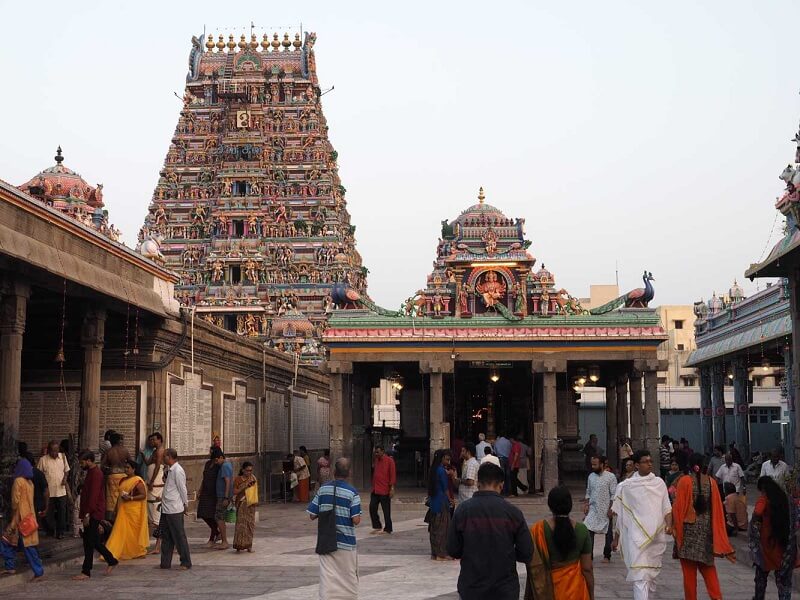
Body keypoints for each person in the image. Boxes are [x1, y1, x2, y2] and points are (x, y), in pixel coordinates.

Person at [448, 461, 532, 600]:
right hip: (505, 589)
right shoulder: (513, 513)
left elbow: (453, 549)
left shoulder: (463, 511)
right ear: (501, 485)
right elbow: (526, 552)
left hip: (472, 587)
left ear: (478, 484)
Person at [671, 453, 734, 600]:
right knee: (709, 570)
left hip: (687, 534)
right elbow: (717, 509)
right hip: (706, 533)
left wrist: (675, 530)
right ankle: (716, 597)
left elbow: (678, 509)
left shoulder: (684, 481)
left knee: (689, 574)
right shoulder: (711, 482)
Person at [611, 450, 672, 600]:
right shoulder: (626, 486)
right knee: (640, 576)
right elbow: (621, 515)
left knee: (650, 577)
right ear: (637, 465)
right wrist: (616, 537)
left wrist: (669, 525)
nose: (649, 464)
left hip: (655, 536)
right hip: (635, 537)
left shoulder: (659, 483)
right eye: (645, 462)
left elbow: (667, 507)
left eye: (650, 461)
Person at [307, 457, 362, 600]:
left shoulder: (323, 489)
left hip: (326, 540)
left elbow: (312, 514)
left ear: (333, 471)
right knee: (348, 575)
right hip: (346, 542)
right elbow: (356, 520)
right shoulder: (352, 493)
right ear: (349, 473)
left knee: (327, 576)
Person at [526, 485, 593, 600]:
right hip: (576, 592)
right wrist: (591, 595)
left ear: (550, 505)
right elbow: (587, 568)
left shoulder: (537, 530)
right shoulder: (582, 530)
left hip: (546, 591)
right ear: (570, 505)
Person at [750, 475, 798, 600]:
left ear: (763, 489)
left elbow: (757, 513)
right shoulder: (788, 499)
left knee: (761, 579)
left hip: (768, 548)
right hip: (786, 548)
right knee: (784, 583)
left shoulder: (764, 499)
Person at [73, 451, 118, 580]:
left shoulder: (96, 474)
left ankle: (86, 571)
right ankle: (111, 560)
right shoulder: (91, 473)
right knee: (91, 541)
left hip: (93, 512)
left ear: (88, 460)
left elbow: (93, 496)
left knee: (90, 542)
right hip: (91, 512)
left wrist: (88, 514)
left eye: (82, 462)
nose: (81, 465)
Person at [1, 459, 45, 581]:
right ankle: (10, 566)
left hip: (19, 518)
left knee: (22, 546)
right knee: (10, 542)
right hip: (29, 518)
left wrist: (13, 514)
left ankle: (38, 572)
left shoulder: (18, 481)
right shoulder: (30, 483)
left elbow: (15, 501)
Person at [106, 459, 149, 560]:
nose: (126, 469)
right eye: (125, 467)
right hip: (123, 509)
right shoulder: (123, 480)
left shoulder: (137, 481)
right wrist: (115, 509)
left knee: (133, 532)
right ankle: (116, 551)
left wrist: (131, 498)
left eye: (128, 468)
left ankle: (137, 551)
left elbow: (143, 495)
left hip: (134, 510)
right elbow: (119, 496)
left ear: (133, 469)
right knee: (120, 531)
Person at [159, 449, 191, 570]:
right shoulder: (170, 471)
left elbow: (182, 488)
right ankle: (165, 562)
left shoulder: (178, 471)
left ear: (169, 457)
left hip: (175, 509)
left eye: (164, 456)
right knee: (166, 537)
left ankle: (185, 561)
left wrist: (185, 504)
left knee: (179, 536)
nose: (162, 459)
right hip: (166, 508)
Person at [583, 455, 616, 563]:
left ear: (602, 464)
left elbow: (613, 494)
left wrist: (611, 508)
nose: (593, 466)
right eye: (592, 464)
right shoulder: (591, 476)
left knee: (608, 533)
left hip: (606, 509)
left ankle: (607, 555)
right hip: (593, 509)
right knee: (588, 530)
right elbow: (588, 491)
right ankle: (589, 556)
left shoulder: (611, 477)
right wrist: (586, 504)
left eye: (595, 464)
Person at [37, 440, 69, 539]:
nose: (55, 453)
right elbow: (39, 474)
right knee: (48, 514)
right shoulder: (43, 460)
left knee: (62, 513)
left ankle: (60, 532)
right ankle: (50, 531)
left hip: (61, 491)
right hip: (48, 492)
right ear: (49, 450)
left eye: (56, 450)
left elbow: (66, 471)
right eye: (52, 451)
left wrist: (65, 478)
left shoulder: (63, 457)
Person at [427, 449, 453, 560]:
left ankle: (434, 552)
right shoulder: (441, 471)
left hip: (434, 502)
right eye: (447, 459)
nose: (448, 462)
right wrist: (451, 499)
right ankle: (441, 553)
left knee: (434, 527)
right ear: (442, 459)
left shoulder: (433, 470)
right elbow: (445, 488)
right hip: (442, 501)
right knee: (443, 528)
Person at [102, 432, 130, 521]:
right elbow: (131, 463)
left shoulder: (109, 451)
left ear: (110, 441)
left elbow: (102, 465)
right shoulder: (125, 450)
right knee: (123, 496)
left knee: (112, 500)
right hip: (124, 475)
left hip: (112, 476)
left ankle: (112, 519)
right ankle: (123, 516)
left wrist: (108, 469)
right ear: (119, 440)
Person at [145, 432, 165, 555]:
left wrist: (152, 482)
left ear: (159, 440)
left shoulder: (160, 451)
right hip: (151, 485)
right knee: (152, 513)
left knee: (156, 515)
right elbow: (149, 463)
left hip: (156, 485)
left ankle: (158, 546)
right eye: (150, 440)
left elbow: (157, 466)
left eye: (154, 440)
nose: (152, 442)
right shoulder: (154, 451)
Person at [369, 445, 396, 534]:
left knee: (386, 511)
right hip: (375, 489)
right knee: (372, 507)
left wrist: (391, 488)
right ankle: (377, 525)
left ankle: (388, 528)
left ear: (382, 451)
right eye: (375, 452)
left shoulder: (389, 461)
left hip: (385, 489)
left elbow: (392, 474)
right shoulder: (376, 460)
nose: (376, 454)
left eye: (378, 452)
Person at [198, 447, 221, 547]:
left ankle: (213, 536)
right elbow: (204, 478)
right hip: (205, 491)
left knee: (211, 514)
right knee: (202, 513)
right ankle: (217, 532)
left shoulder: (218, 465)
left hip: (213, 492)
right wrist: (200, 489)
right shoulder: (208, 464)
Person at [233, 461, 258, 552]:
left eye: (251, 470)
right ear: (243, 470)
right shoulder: (238, 479)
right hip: (241, 503)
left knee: (250, 525)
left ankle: (249, 545)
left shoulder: (253, 478)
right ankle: (239, 545)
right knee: (241, 526)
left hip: (250, 504)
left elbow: (255, 491)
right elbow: (235, 492)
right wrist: (244, 487)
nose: (249, 473)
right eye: (247, 470)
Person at [215, 450, 233, 550]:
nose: (216, 462)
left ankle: (224, 540)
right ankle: (222, 538)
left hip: (223, 496)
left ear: (221, 457)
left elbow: (227, 482)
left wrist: (226, 497)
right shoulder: (226, 465)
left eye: (217, 460)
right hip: (222, 495)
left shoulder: (225, 466)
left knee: (219, 517)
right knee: (218, 516)